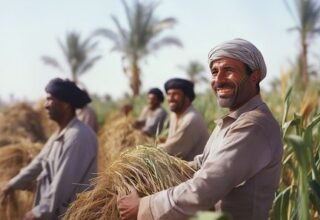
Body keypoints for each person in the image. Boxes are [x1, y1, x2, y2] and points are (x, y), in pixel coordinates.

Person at [117, 39, 283, 220]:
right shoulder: (231, 121)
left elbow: (206, 186)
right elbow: (201, 164)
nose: (218, 80)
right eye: (214, 72)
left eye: (228, 70)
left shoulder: (253, 125)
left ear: (254, 76)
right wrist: (145, 169)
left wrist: (143, 206)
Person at [0, 78, 98, 220]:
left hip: (73, 214)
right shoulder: (59, 134)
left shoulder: (78, 136)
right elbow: (38, 163)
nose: (45, 105)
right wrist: (12, 184)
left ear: (65, 104)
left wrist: (39, 212)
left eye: (50, 99)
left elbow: (63, 183)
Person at [158, 78, 209, 161]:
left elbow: (172, 150)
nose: (171, 98)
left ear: (187, 98)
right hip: (179, 164)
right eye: (169, 94)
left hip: (194, 170)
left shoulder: (192, 118)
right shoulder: (174, 115)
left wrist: (150, 148)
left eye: (175, 94)